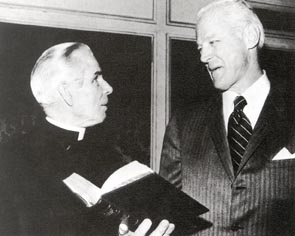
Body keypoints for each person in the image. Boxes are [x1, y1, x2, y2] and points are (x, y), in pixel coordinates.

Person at [0, 42, 174, 236]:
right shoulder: (11, 162)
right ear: (66, 93)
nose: (108, 88)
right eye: (96, 79)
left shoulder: (115, 156)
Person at [160, 0, 295, 235]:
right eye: (200, 48)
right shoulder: (184, 123)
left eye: (213, 42)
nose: (204, 57)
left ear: (250, 36)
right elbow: (167, 212)